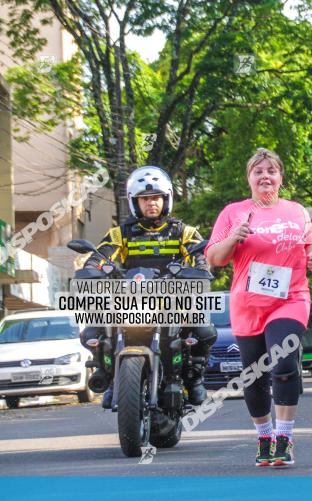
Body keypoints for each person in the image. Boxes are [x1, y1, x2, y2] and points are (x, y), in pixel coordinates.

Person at [206, 148, 312, 467]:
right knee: (254, 375)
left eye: (271, 170)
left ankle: (284, 438)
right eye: (258, 171)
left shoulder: (297, 211)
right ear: (249, 179)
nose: (265, 176)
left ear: (281, 177)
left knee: (283, 365)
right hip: (248, 305)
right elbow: (214, 258)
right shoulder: (233, 213)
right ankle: (264, 437)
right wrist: (233, 238)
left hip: (291, 298)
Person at [80, 166, 215, 409]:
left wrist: (201, 269)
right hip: (131, 298)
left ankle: (194, 379)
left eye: (156, 198)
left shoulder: (184, 231)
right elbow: (101, 255)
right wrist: (91, 268)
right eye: (145, 199)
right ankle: (108, 377)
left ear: (166, 199)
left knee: (204, 331)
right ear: (135, 202)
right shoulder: (120, 233)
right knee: (92, 331)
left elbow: (200, 255)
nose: (151, 203)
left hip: (173, 297)